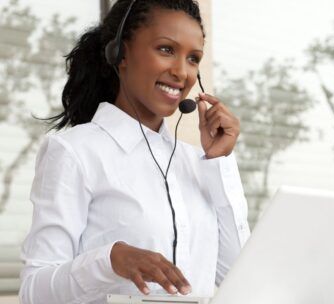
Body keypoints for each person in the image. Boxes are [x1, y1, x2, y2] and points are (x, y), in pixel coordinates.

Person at [18, 0, 250, 303]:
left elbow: (240, 277)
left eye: (193, 58)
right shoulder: (75, 152)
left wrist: (219, 161)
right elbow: (33, 293)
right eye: (166, 49)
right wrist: (109, 261)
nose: (182, 72)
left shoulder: (197, 162)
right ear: (121, 53)